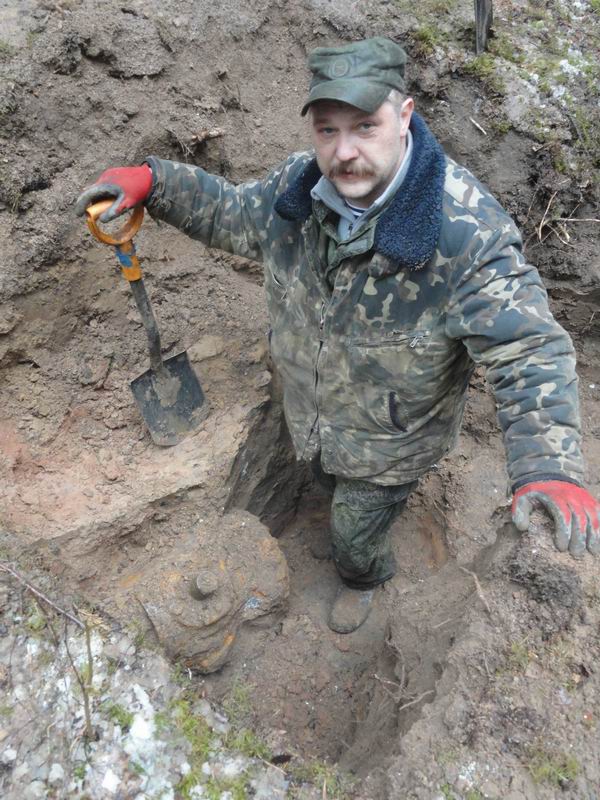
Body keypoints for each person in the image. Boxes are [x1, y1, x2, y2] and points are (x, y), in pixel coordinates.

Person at [76, 37, 600, 634]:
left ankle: (365, 577)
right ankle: (339, 505)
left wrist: (547, 465)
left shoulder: (464, 233)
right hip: (312, 414)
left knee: (353, 532)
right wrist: (157, 182)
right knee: (324, 479)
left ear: (404, 116)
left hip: (389, 446)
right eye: (327, 130)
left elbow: (527, 347)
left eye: (365, 127)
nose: (344, 152)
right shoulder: (297, 191)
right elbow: (232, 212)